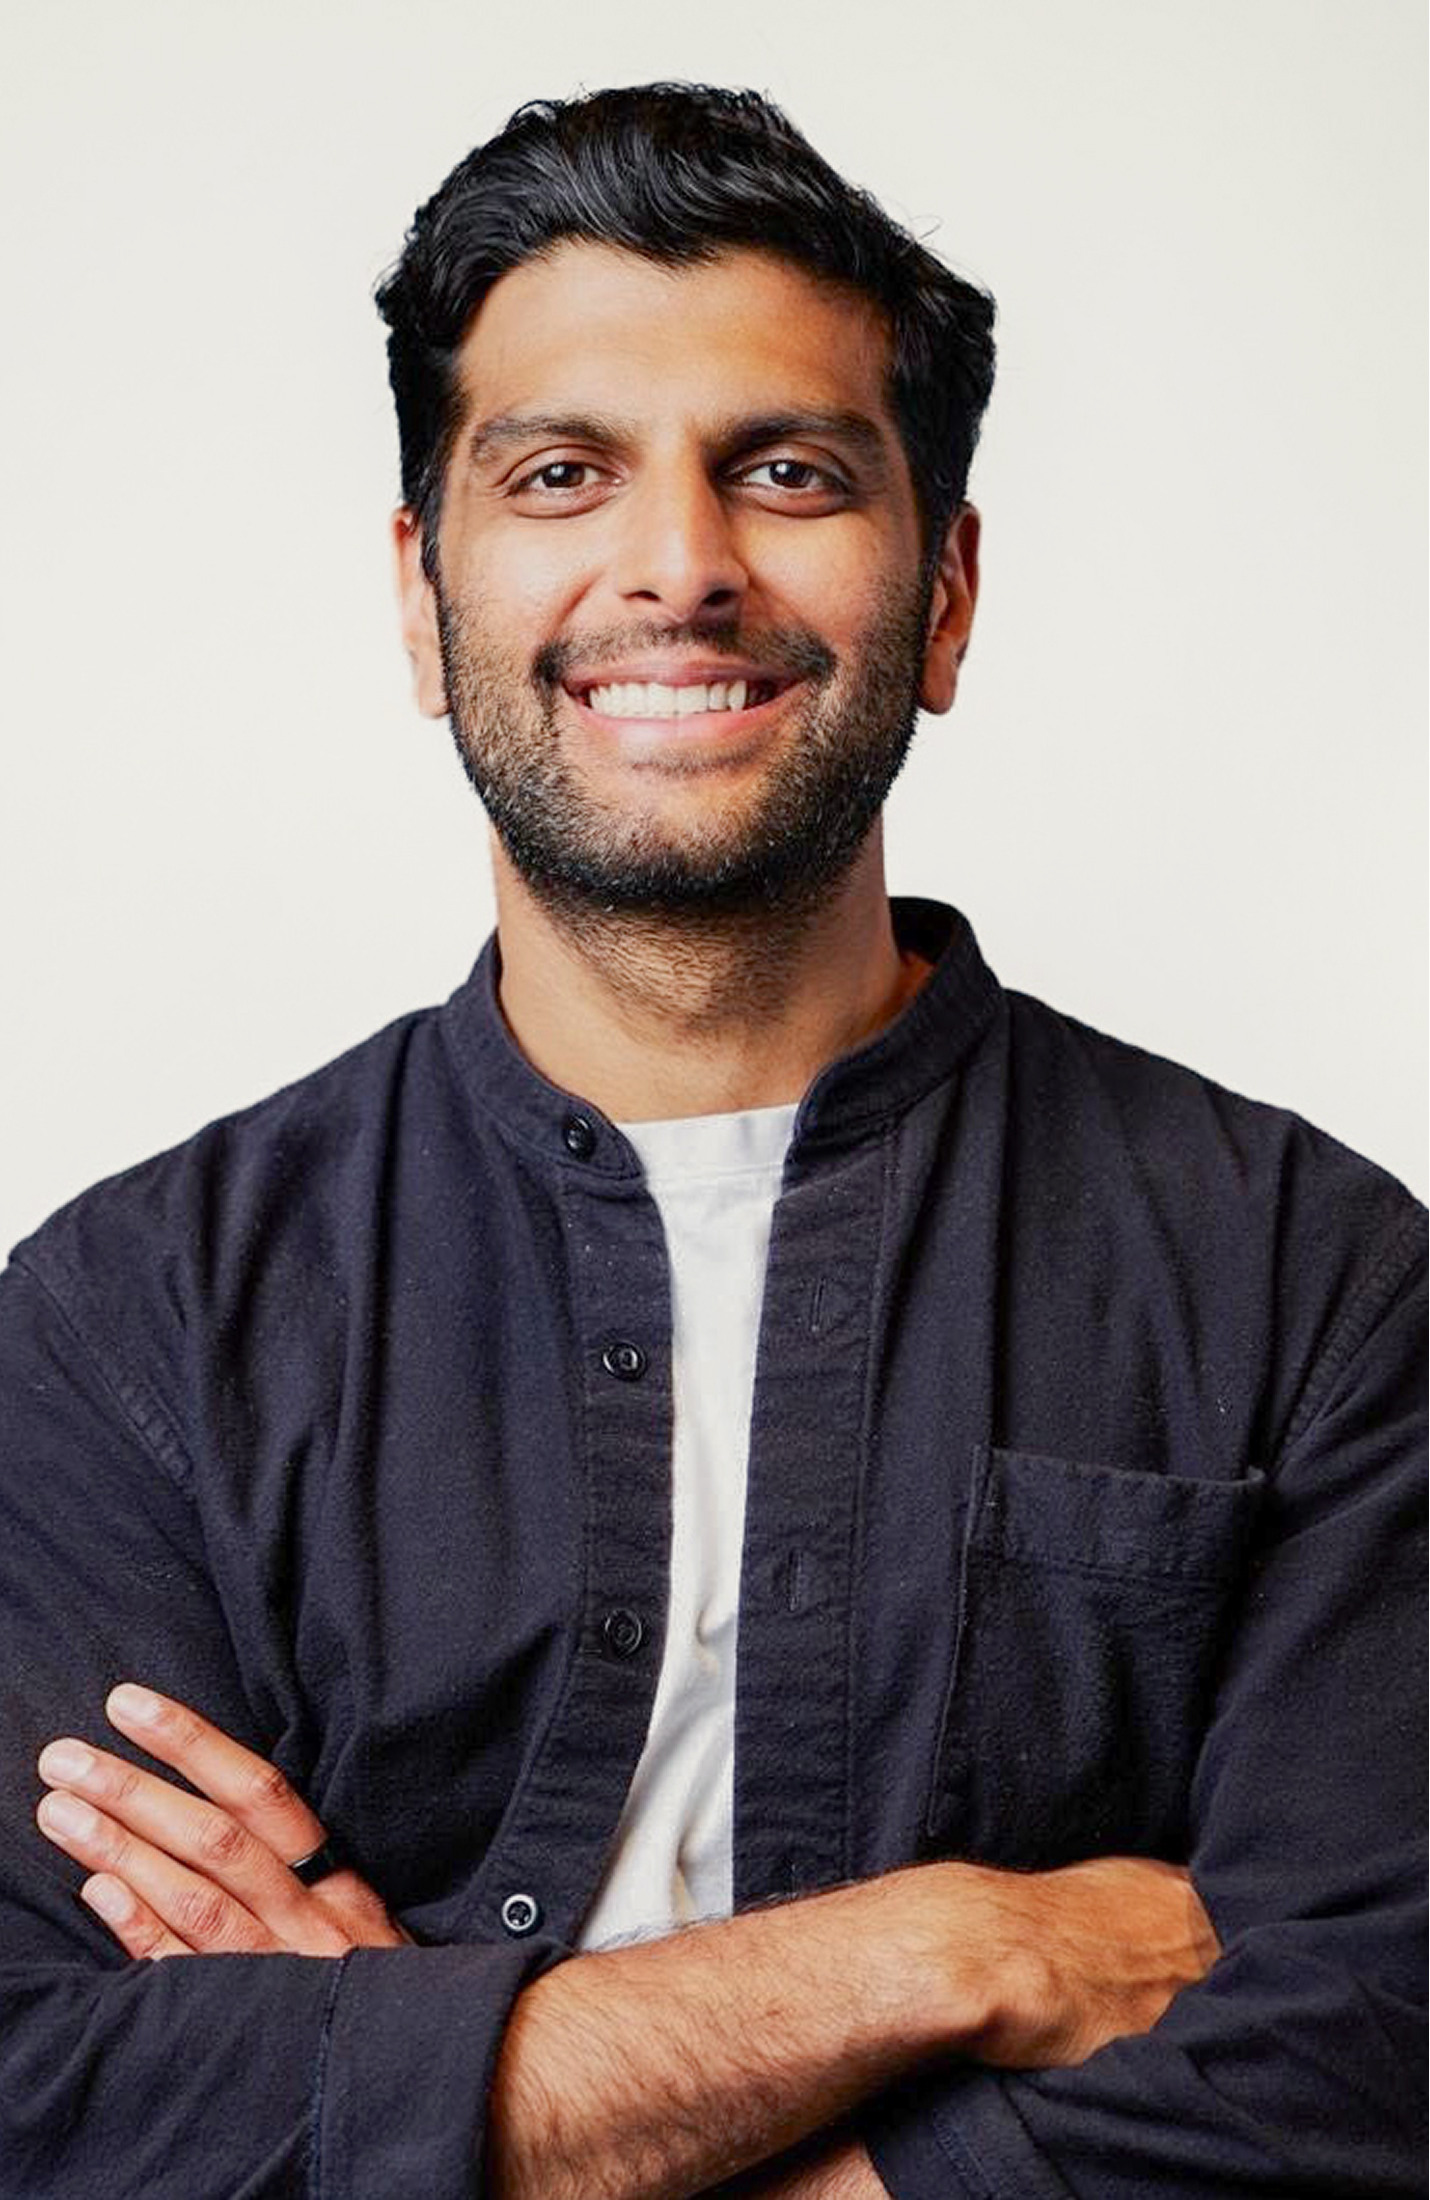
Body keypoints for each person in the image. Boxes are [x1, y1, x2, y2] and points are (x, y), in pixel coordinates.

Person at [1, 82, 1422, 2200]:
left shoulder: (1307, 1279)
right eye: (561, 473)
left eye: (786, 470)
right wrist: (951, 1947)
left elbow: (1374, 2052)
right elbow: (44, 2090)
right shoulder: (133, 1326)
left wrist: (398, 2098)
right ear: (425, 600)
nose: (677, 563)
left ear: (944, 596)